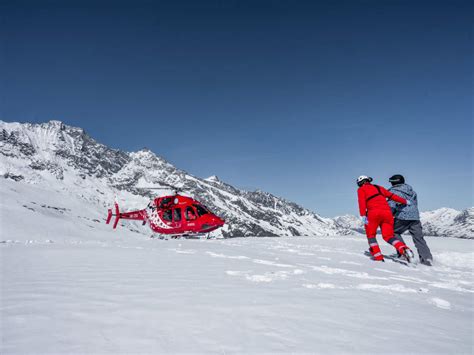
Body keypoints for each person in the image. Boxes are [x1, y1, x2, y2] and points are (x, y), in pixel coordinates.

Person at [356, 175, 415, 262]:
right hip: (387, 213)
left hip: (373, 213)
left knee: (371, 235)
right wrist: (405, 201)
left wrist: (363, 215)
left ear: (360, 183)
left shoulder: (361, 189)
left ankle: (378, 257)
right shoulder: (378, 187)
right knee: (388, 236)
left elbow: (361, 202)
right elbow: (392, 196)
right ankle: (403, 248)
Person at [388, 174, 433, 266]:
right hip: (415, 217)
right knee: (419, 238)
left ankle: (404, 252)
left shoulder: (393, 192)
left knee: (392, 232)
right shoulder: (412, 191)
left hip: (402, 217)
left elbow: (391, 206)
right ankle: (427, 259)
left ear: (393, 183)